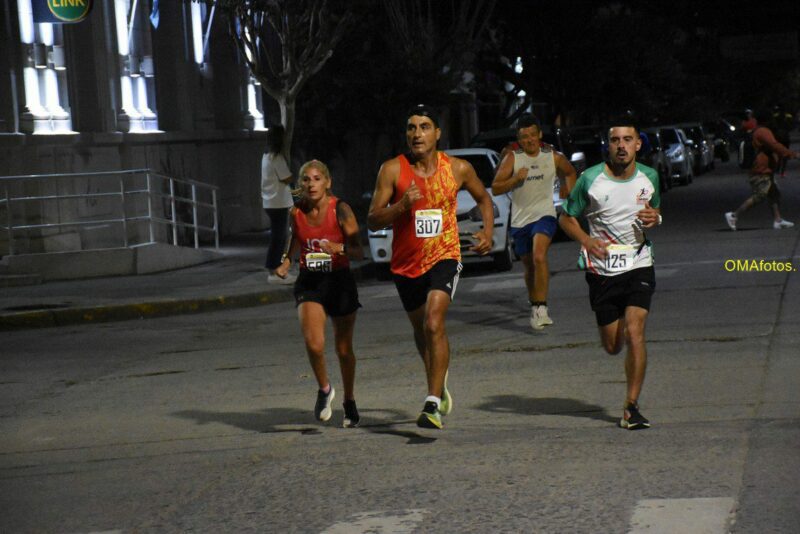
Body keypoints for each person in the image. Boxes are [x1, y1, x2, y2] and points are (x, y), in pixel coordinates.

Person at [367, 104, 495, 429]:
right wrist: (401, 206)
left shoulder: (458, 168)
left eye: (424, 127)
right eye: (411, 127)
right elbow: (372, 219)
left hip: (444, 255)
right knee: (422, 330)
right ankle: (439, 382)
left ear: (437, 133)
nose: (417, 134)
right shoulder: (392, 170)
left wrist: (488, 232)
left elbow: (484, 198)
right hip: (405, 263)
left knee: (434, 322)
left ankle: (432, 403)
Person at [558, 115, 662, 430]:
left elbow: (654, 212)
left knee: (635, 331)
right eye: (615, 140)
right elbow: (566, 218)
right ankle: (628, 395)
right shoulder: (590, 179)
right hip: (602, 270)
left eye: (627, 140)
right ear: (608, 144)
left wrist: (654, 218)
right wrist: (586, 240)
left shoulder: (650, 176)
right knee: (613, 345)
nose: (621, 146)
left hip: (639, 262)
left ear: (638, 144)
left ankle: (631, 407)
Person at [275, 160, 364, 427]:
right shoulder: (296, 212)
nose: (311, 184)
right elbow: (294, 239)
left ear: (327, 182)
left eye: (316, 179)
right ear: (300, 184)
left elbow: (358, 251)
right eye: (306, 179)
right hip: (310, 282)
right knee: (314, 344)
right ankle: (325, 390)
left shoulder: (341, 210)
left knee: (343, 349)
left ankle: (349, 400)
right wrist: (286, 261)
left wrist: (339, 248)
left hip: (339, 281)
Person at [491, 114, 577, 330]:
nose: (529, 140)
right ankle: (534, 303)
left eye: (532, 135)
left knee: (539, 256)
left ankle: (542, 307)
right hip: (520, 220)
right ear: (519, 139)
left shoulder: (553, 156)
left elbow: (570, 172)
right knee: (529, 265)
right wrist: (515, 179)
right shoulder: (513, 158)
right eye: (524, 137)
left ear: (539, 134)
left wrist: (567, 188)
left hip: (545, 214)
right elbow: (496, 187)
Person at [725, 108, 798, 231]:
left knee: (774, 193)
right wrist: (793, 155)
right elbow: (775, 146)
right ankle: (734, 215)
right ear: (768, 120)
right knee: (760, 195)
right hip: (760, 170)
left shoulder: (758, 130)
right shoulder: (763, 131)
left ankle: (778, 220)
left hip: (765, 169)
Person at [262, 124, 296, 285]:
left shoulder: (266, 156)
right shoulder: (277, 158)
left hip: (270, 202)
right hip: (278, 203)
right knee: (279, 238)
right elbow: (287, 177)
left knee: (278, 237)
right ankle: (275, 270)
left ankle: (276, 269)